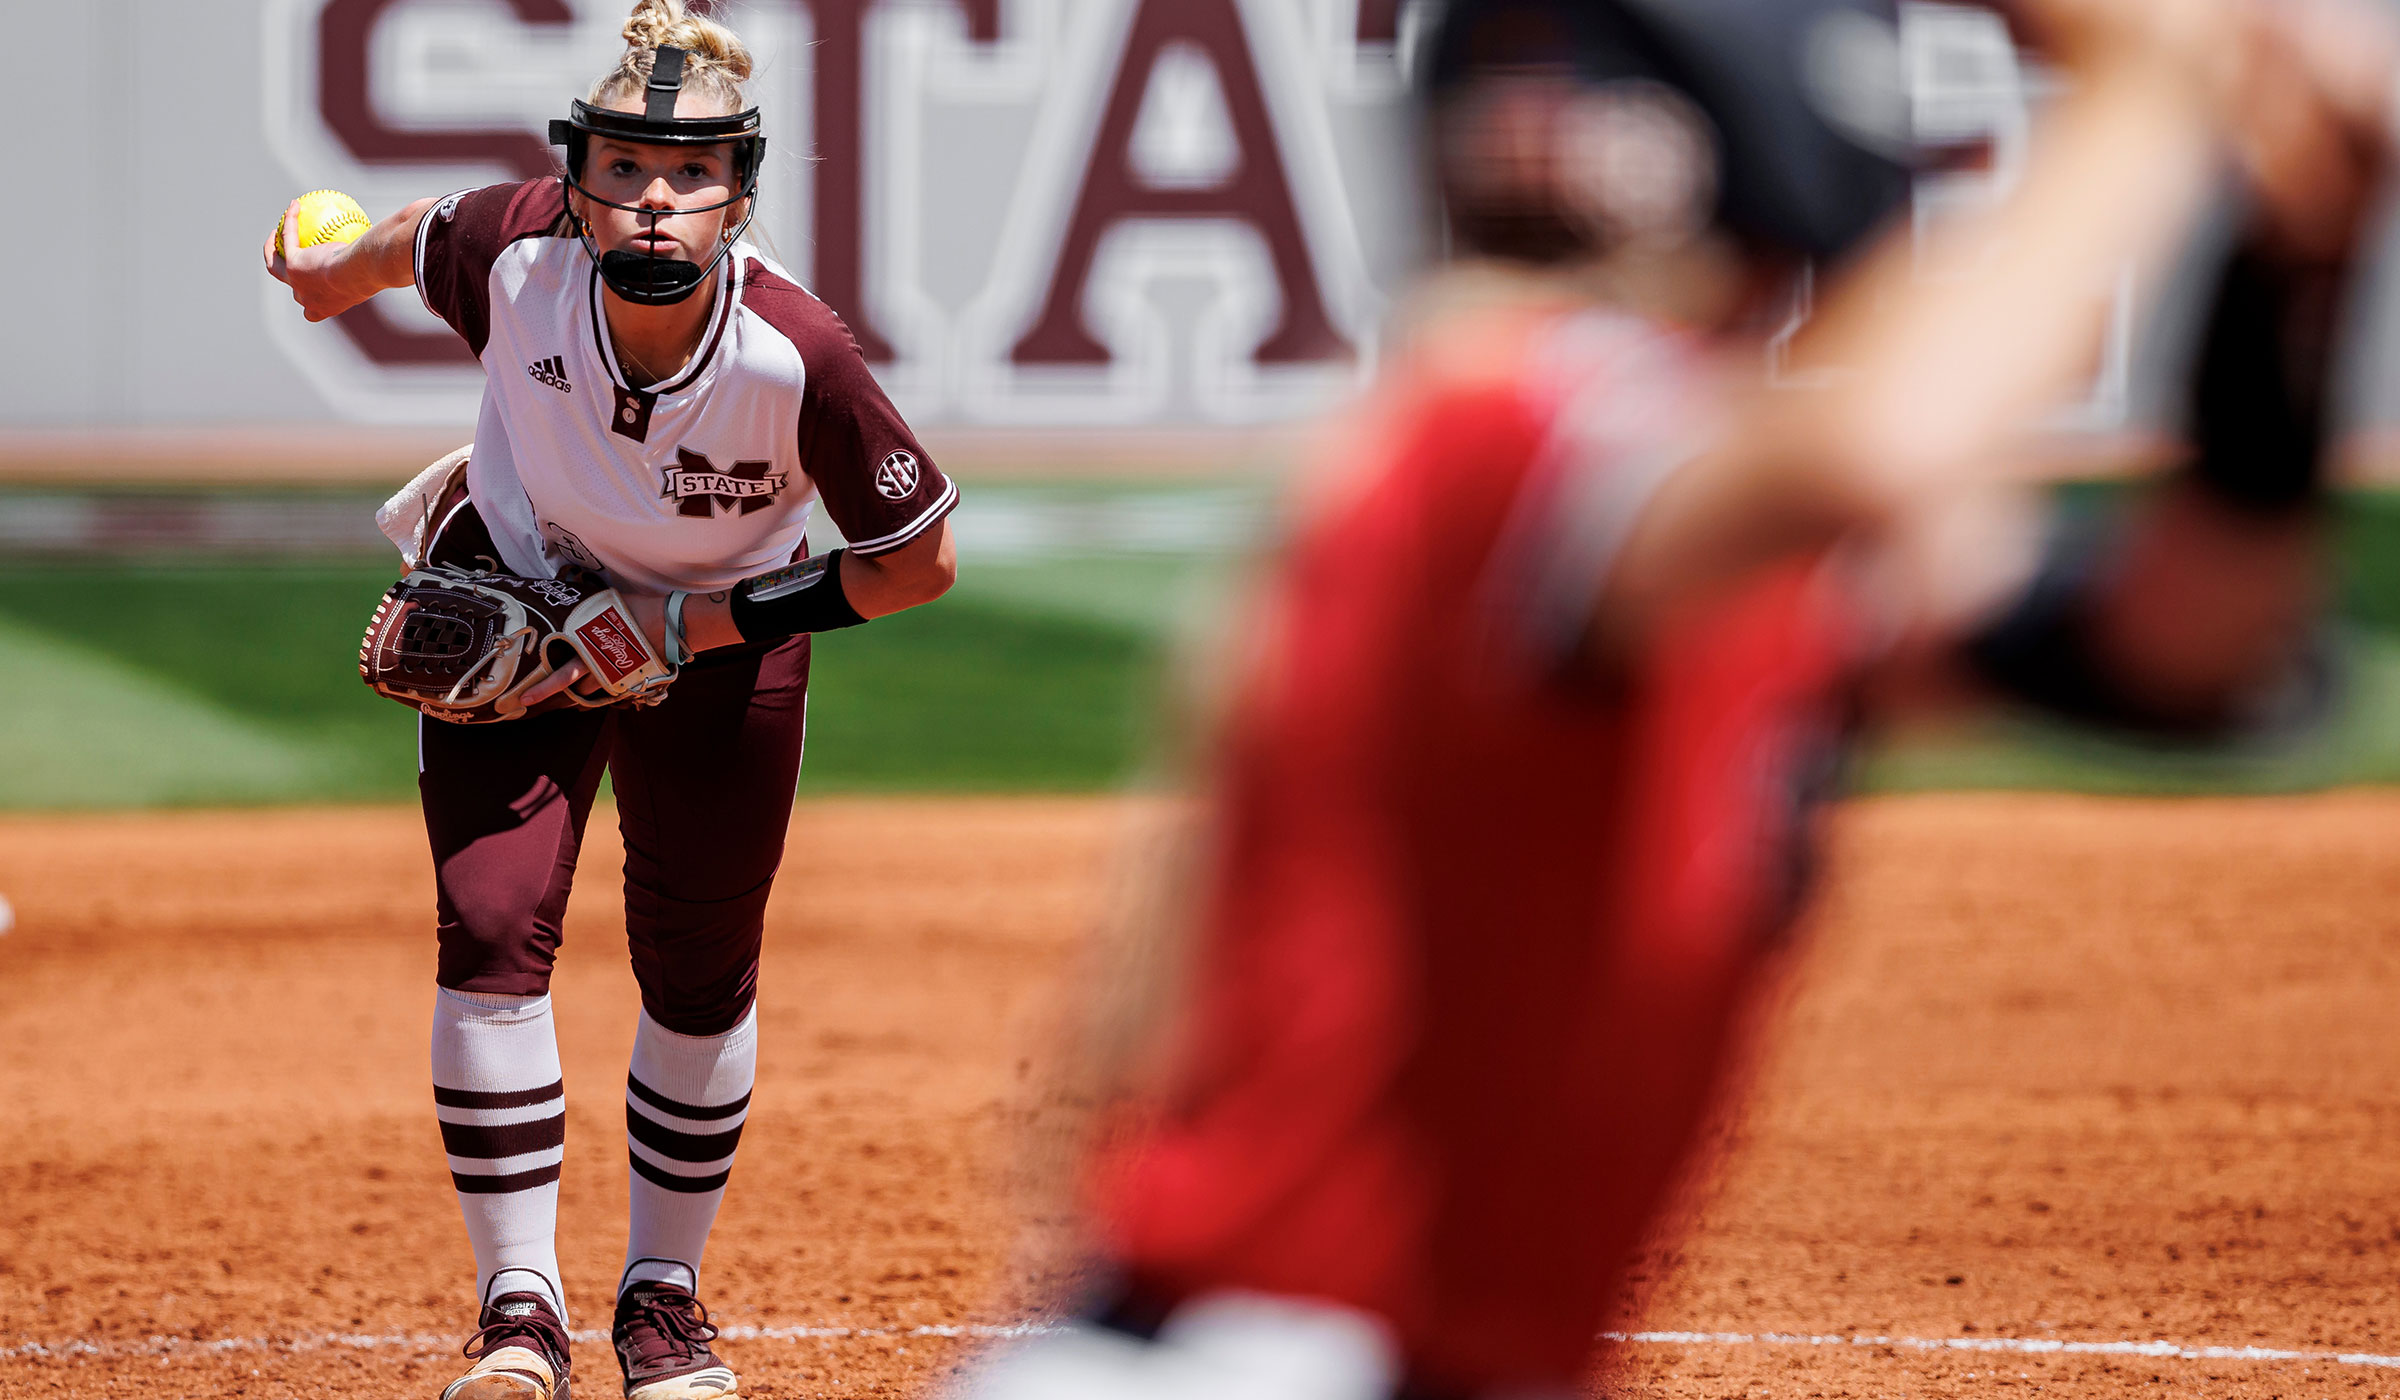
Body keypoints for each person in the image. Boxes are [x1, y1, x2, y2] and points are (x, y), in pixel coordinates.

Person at [948, 0, 2393, 1397]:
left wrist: (2292, 257)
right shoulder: (1496, 423)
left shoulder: (1708, 558)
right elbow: (1868, 452)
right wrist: (2149, 91)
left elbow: (2190, 638)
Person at [265, 3, 959, 1398]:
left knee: (700, 968)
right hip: (520, 601)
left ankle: (661, 1300)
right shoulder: (517, 248)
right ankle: (519, 1316)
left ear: (739, 195)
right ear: (578, 176)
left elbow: (915, 565)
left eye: (690, 173)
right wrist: (337, 269)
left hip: (721, 656)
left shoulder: (795, 355)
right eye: (628, 167)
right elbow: (416, 237)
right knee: (492, 922)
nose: (655, 201)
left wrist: (690, 624)